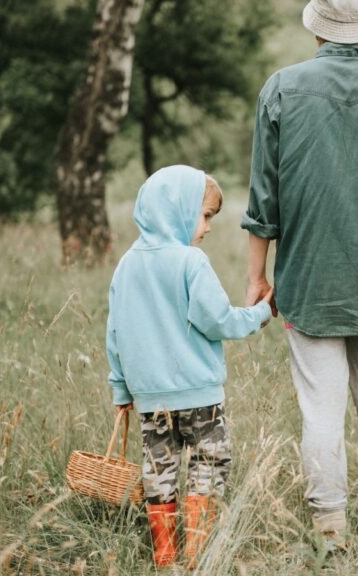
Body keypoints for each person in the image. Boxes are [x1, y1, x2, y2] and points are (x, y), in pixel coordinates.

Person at [241, 0, 358, 551]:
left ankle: (332, 532)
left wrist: (258, 278)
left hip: (308, 282)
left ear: (318, 28)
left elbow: (263, 200)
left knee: (320, 411)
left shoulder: (281, 88)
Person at [106, 166, 273, 568]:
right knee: (209, 464)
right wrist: (260, 313)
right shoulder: (190, 262)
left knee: (158, 471)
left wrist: (122, 390)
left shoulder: (126, 266)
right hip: (200, 396)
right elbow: (218, 321)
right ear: (177, 209)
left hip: (149, 400)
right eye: (205, 215)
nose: (208, 227)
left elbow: (115, 332)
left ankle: (166, 555)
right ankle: (198, 550)